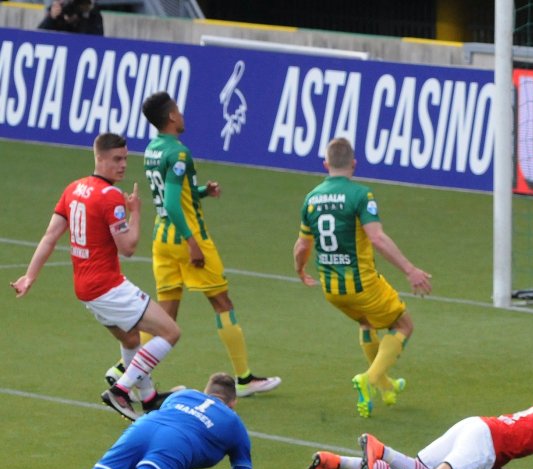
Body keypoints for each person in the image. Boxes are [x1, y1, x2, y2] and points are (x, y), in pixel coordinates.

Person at [104, 91, 280, 398]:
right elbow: (172, 201)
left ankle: (122, 368)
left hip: (162, 240)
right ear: (172, 116)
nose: (182, 115)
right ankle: (244, 378)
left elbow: (169, 192)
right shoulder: (179, 153)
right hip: (187, 238)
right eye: (178, 111)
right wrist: (192, 243)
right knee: (222, 303)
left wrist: (200, 191)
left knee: (165, 315)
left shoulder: (153, 149)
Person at [10, 133, 180, 422]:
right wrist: (136, 212)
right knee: (171, 332)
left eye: (125, 158)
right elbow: (128, 248)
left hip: (85, 288)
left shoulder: (74, 188)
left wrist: (30, 276)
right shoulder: (111, 196)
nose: (123, 165)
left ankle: (148, 397)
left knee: (130, 339)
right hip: (108, 286)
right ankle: (122, 390)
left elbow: (50, 236)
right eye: (117, 159)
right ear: (99, 158)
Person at [293, 137, 432, 418]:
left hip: (331, 288)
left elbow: (302, 246)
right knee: (403, 325)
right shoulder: (360, 195)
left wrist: (300, 269)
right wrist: (410, 270)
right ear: (354, 164)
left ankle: (385, 386)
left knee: (367, 323)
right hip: (362, 283)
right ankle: (369, 379)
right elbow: (377, 238)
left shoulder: (311, 198)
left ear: (326, 164)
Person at [16, 372, 255, 469]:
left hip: (143, 428)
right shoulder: (234, 423)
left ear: (206, 391)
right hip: (175, 445)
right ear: (232, 402)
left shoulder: (184, 396)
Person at [306, 389, 533, 469]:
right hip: (484, 440)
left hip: (474, 427)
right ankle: (382, 450)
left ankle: (335, 462)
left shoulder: (531, 420)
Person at [37, 0, 104, 36]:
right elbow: (37, 36)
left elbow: (97, 41)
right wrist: (51, 18)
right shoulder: (59, 12)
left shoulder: (92, 14)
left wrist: (85, 15)